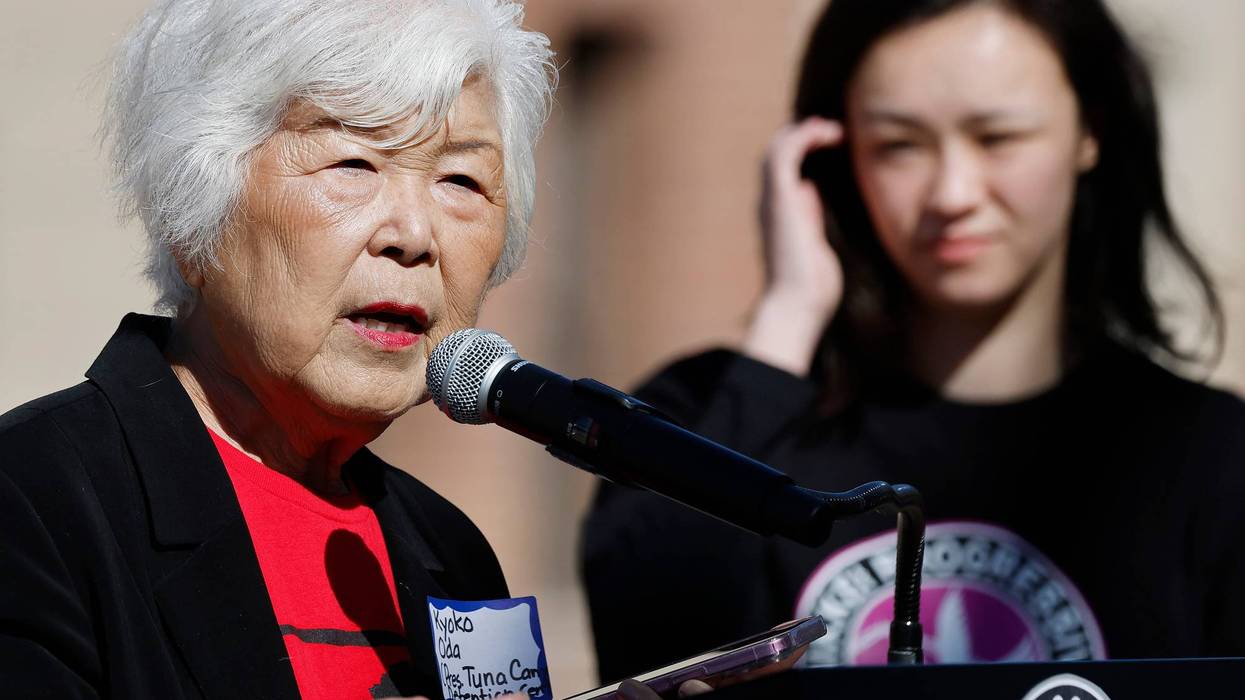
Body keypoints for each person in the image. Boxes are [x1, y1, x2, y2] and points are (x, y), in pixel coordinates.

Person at [582, 0, 1245, 683]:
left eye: (997, 137)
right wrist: (787, 316)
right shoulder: (709, 409)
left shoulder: (1209, 453)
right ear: (831, 155)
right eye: (899, 145)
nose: (951, 193)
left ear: (1090, 131)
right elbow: (638, 644)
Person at [0, 0, 556, 697]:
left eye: (460, 181)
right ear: (193, 212)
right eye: (352, 163)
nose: (414, 234)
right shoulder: (33, 502)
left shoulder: (451, 551)